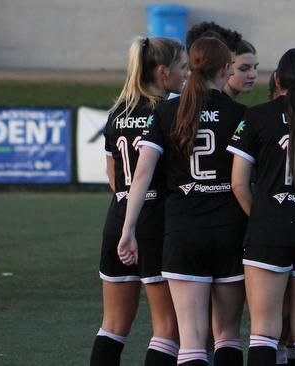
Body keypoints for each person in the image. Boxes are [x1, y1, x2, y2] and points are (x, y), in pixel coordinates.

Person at [118, 37, 246, 366]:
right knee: (228, 334)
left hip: (182, 232)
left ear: (192, 68)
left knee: (189, 339)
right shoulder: (241, 114)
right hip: (229, 230)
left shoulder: (166, 111)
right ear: (226, 69)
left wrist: (127, 228)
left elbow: (142, 172)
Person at [227, 48, 295, 366]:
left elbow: (238, 183)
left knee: (264, 330)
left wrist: (263, 217)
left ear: (277, 79)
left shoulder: (257, 116)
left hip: (269, 233)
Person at [90, 36, 187, 366]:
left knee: (113, 326)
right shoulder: (169, 110)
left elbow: (113, 176)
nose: (186, 74)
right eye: (182, 67)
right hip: (155, 221)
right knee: (168, 329)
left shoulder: (117, 112)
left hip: (116, 220)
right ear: (163, 71)